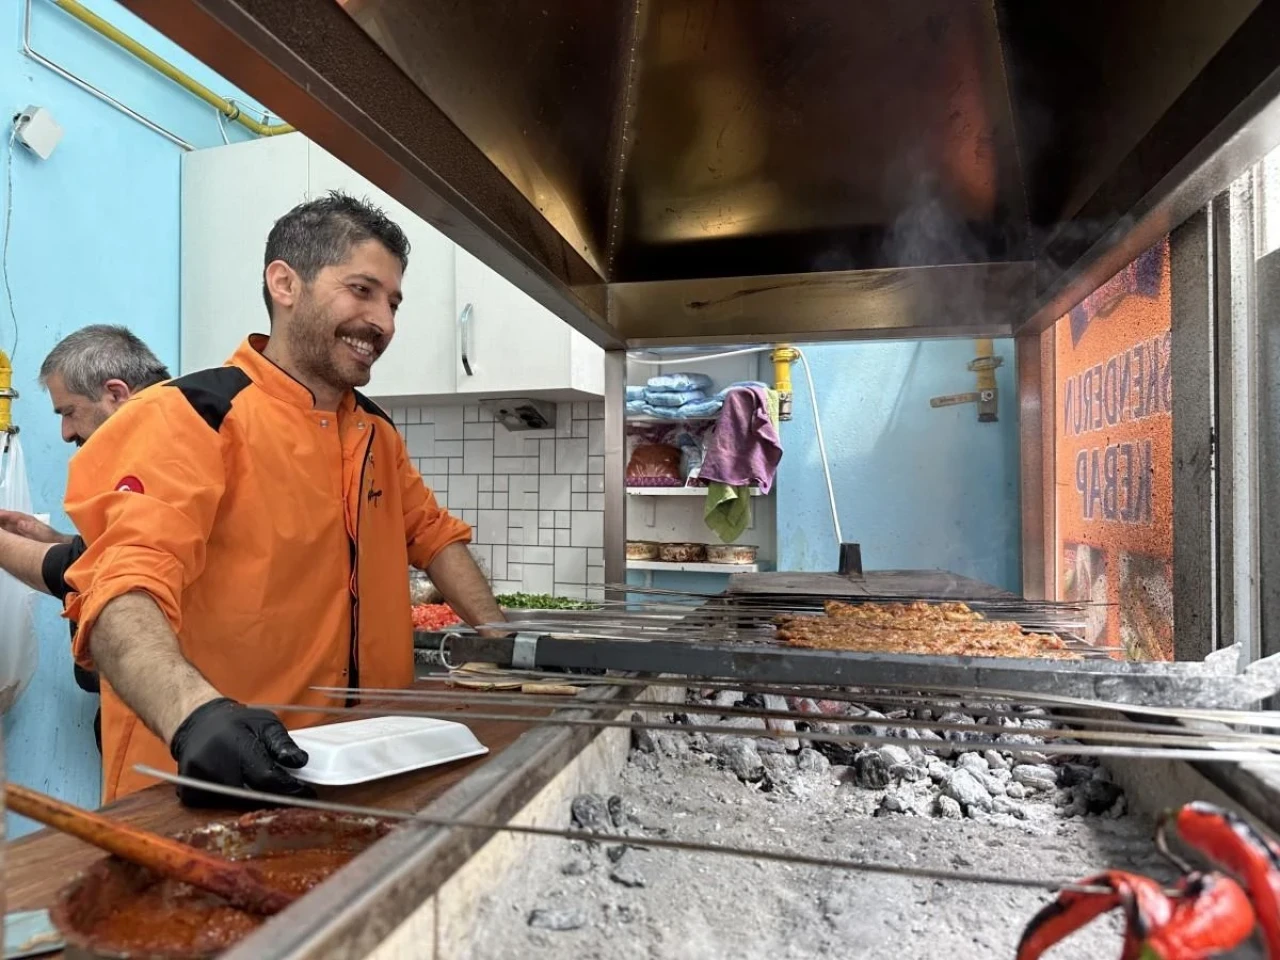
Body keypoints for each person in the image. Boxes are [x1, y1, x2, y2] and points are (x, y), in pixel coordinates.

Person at [63, 192, 505, 805]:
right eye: (362, 290)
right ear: (284, 283)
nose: (384, 322)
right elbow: (120, 589)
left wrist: (506, 641)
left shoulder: (376, 431)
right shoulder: (190, 415)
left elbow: (430, 534)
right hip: (211, 780)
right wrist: (196, 715)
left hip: (364, 768)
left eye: (393, 302)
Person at [0, 326, 170, 752]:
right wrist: (52, 538)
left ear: (116, 394)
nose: (64, 433)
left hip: (167, 713)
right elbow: (130, 549)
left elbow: (117, 572)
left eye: (68, 412)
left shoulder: (166, 447)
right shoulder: (155, 438)